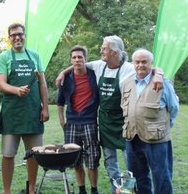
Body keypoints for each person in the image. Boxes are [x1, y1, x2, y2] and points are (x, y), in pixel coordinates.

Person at [56, 35, 163, 194]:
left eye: (104, 48)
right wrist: (63, 73)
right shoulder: (99, 65)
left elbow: (148, 69)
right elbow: (78, 64)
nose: (101, 50)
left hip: (125, 121)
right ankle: (116, 189)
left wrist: (158, 74)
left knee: (130, 161)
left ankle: (130, 190)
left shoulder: (128, 68)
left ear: (114, 52)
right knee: (110, 160)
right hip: (105, 122)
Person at [0, 23, 49, 194]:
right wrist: (16, 90)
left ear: (24, 36)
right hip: (12, 114)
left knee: (33, 153)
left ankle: (31, 189)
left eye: (20, 34)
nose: (17, 37)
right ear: (9, 38)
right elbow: (1, 83)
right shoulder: (4, 57)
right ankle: (7, 190)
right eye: (13, 35)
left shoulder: (35, 56)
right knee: (8, 154)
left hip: (33, 112)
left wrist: (45, 108)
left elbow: (42, 83)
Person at [120, 49, 179, 194]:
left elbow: (173, 108)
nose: (140, 65)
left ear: (151, 63)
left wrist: (163, 127)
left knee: (161, 177)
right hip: (132, 137)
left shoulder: (162, 83)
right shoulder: (126, 83)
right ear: (133, 63)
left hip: (156, 140)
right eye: (137, 62)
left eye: (144, 61)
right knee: (137, 177)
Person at [57, 45, 100, 194]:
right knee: (75, 159)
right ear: (71, 60)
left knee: (92, 159)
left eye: (80, 57)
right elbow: (60, 101)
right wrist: (62, 120)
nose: (77, 60)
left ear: (85, 59)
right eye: (74, 57)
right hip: (72, 123)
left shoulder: (94, 75)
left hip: (90, 122)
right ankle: (82, 190)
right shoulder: (66, 79)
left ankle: (94, 190)